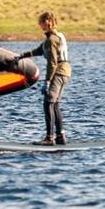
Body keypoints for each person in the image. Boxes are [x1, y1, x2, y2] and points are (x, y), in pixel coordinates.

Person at [17, 11, 72, 145]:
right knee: (55, 104)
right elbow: (40, 50)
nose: (39, 25)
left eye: (41, 22)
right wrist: (22, 56)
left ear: (47, 22)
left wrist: (47, 82)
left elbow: (52, 62)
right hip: (65, 71)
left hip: (58, 72)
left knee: (48, 103)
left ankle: (49, 138)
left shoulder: (51, 40)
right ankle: (60, 136)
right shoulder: (58, 36)